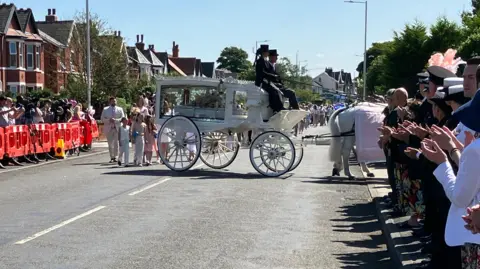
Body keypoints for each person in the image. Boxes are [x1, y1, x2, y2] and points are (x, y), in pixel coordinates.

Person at [254, 44, 283, 113]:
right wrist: (273, 76)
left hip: (266, 81)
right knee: (273, 91)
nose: (268, 53)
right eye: (267, 52)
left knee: (276, 90)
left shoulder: (265, 61)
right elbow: (262, 73)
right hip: (261, 82)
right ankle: (275, 108)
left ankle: (279, 107)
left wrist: (275, 76)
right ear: (264, 53)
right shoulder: (259, 61)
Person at [101, 97, 125, 163]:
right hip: (109, 128)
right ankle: (112, 157)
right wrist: (109, 120)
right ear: (110, 102)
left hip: (117, 127)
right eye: (112, 101)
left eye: (114, 101)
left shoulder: (120, 109)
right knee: (110, 144)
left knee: (116, 143)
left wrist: (116, 120)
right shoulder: (105, 109)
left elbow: (123, 118)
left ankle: (116, 156)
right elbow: (102, 119)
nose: (113, 102)